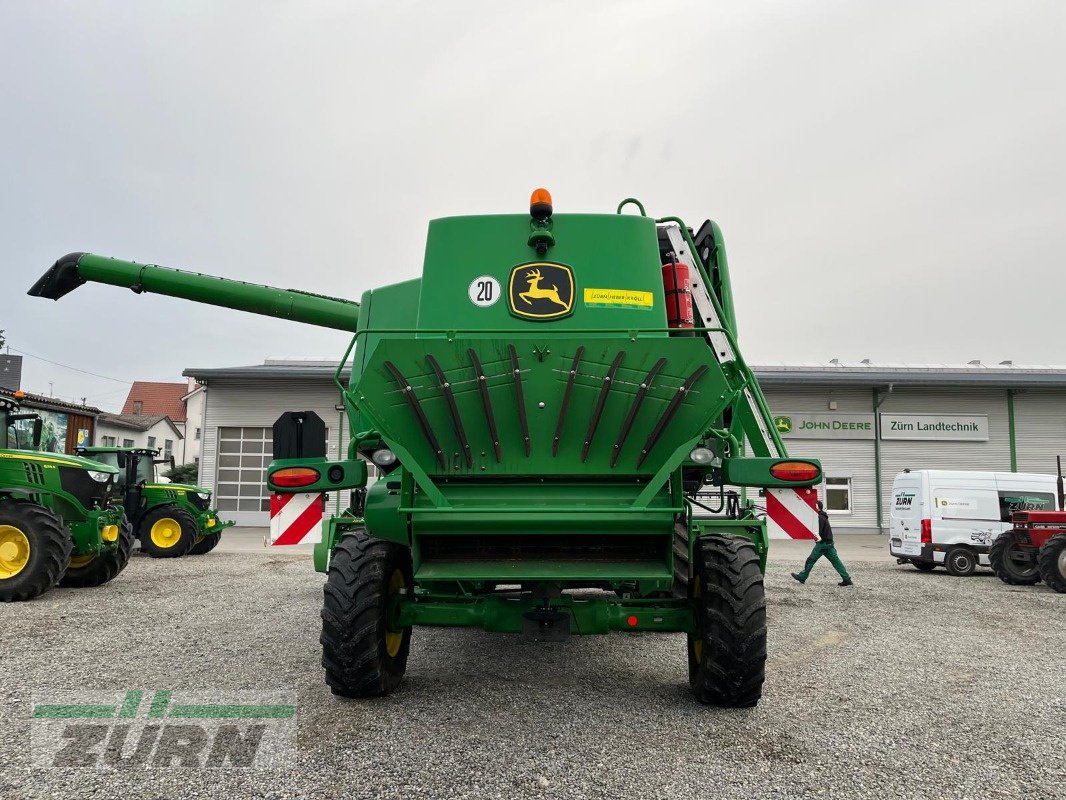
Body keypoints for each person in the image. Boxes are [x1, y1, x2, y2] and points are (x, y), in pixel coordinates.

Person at [791, 501, 853, 586]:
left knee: (810, 560)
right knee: (836, 562)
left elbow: (817, 532)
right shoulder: (823, 517)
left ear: (817, 507)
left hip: (822, 544)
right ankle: (847, 579)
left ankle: (802, 577)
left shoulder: (820, 517)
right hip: (829, 544)